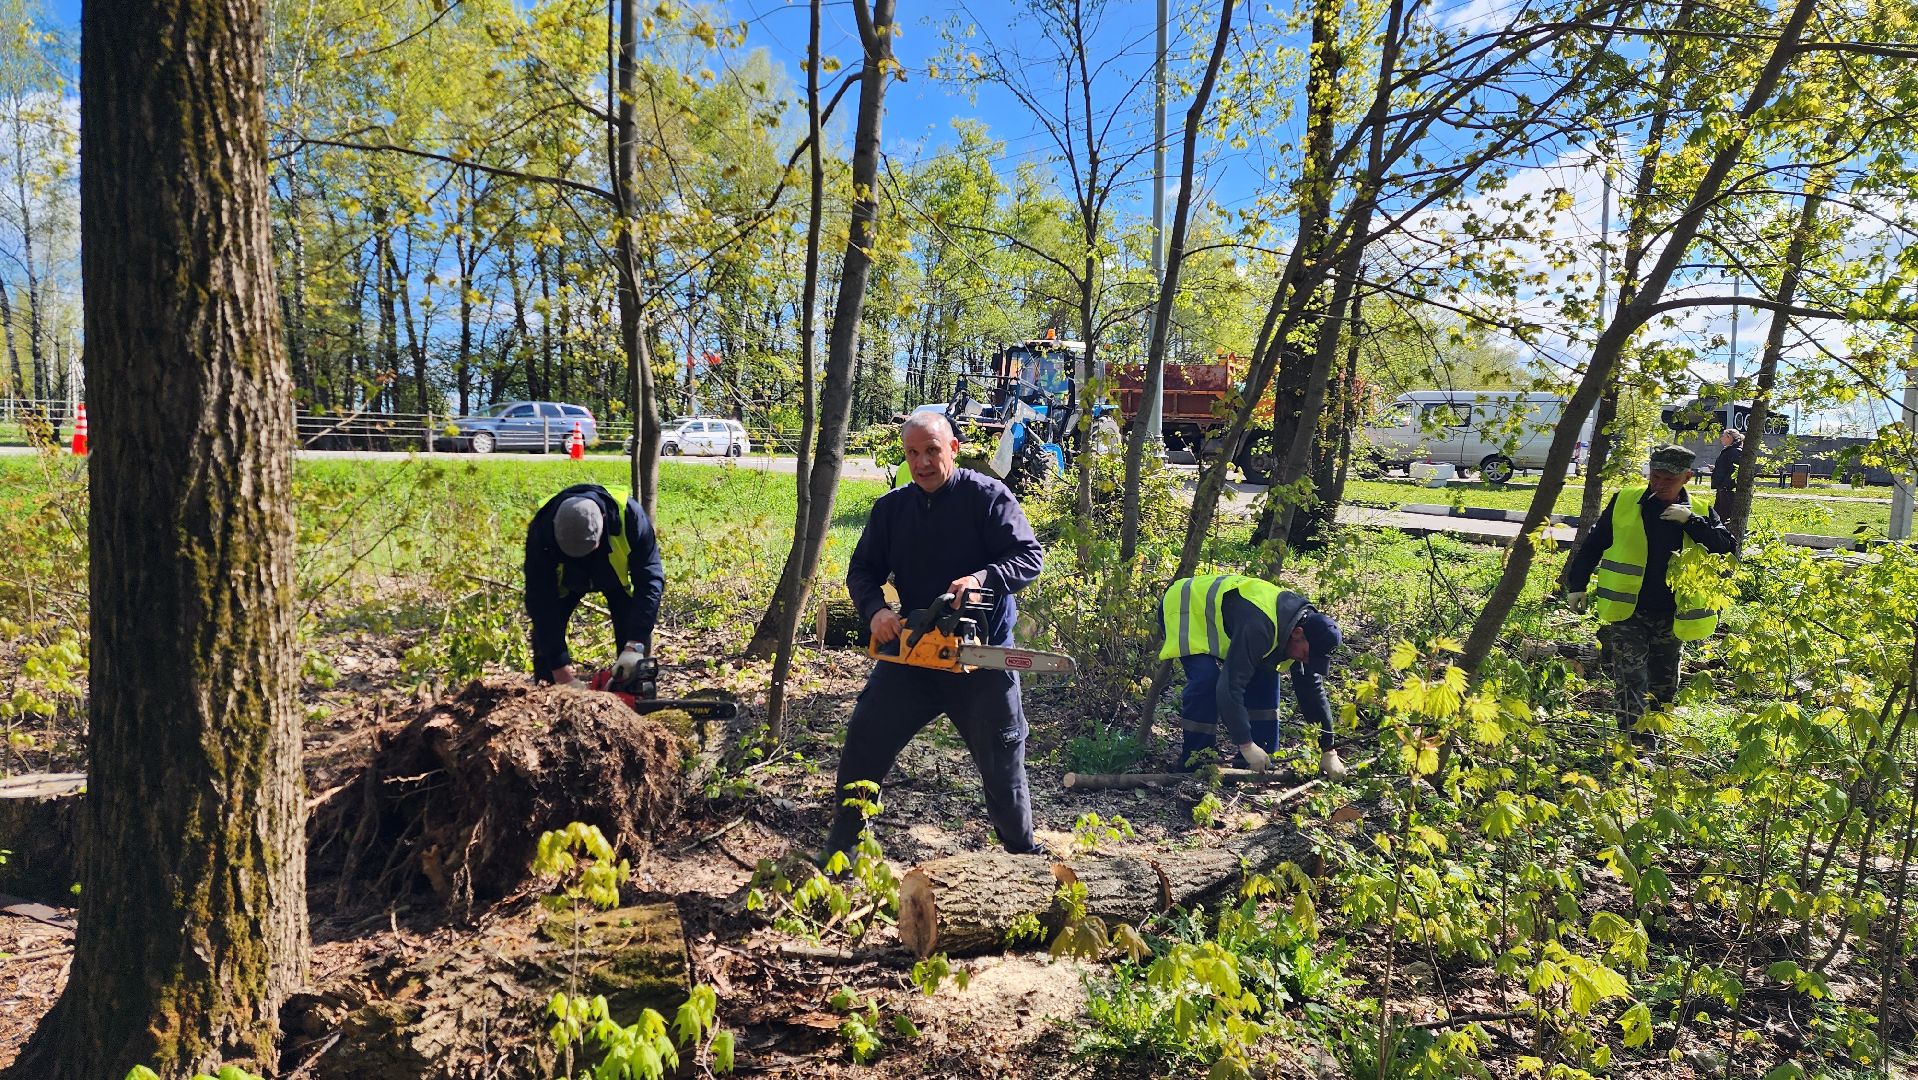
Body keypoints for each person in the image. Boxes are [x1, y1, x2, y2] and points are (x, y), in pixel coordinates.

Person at [822, 411, 1048, 861]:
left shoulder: (986, 497)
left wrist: (982, 578)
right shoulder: (892, 508)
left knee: (1003, 764)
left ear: (953, 449)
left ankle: (1023, 862)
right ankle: (840, 853)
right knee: (865, 740)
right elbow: (862, 570)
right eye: (913, 453)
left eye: (931, 451)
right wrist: (876, 610)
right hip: (916, 653)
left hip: (981, 659)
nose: (922, 462)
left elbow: (1029, 557)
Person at [1563, 445, 1736, 732]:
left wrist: (1691, 521)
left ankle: (1655, 739)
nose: (1659, 484)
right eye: (1655, 477)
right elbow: (1594, 545)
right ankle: (1634, 745)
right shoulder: (1625, 501)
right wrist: (1577, 584)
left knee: (1664, 684)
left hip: (1674, 614)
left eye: (1669, 479)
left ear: (1687, 477)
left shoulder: (1701, 511)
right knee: (1630, 680)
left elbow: (1726, 549)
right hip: (1628, 610)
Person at [1160, 576, 1347, 778]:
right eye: (1308, 655)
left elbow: (1312, 692)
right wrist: (1246, 744)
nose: (1308, 661)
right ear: (1297, 633)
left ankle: (1258, 762)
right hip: (1187, 609)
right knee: (1207, 681)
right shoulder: (1260, 626)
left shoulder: (1306, 633)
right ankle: (1195, 762)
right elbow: (1230, 686)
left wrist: (1329, 749)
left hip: (1228, 621)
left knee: (1266, 676)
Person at [523, 482, 665, 687]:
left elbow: (650, 581)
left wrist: (635, 645)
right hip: (567, 582)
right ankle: (550, 696)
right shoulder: (541, 528)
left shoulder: (630, 517)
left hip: (615, 579)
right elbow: (540, 599)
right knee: (546, 644)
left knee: (633, 647)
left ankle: (633, 696)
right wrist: (560, 672)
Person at [1710, 428, 1743, 498]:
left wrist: (1725, 486)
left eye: (1723, 436)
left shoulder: (1735, 451)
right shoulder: (1728, 450)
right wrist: (1715, 469)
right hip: (1722, 489)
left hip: (1727, 490)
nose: (1721, 438)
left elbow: (1734, 470)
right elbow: (1726, 467)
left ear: (1729, 437)